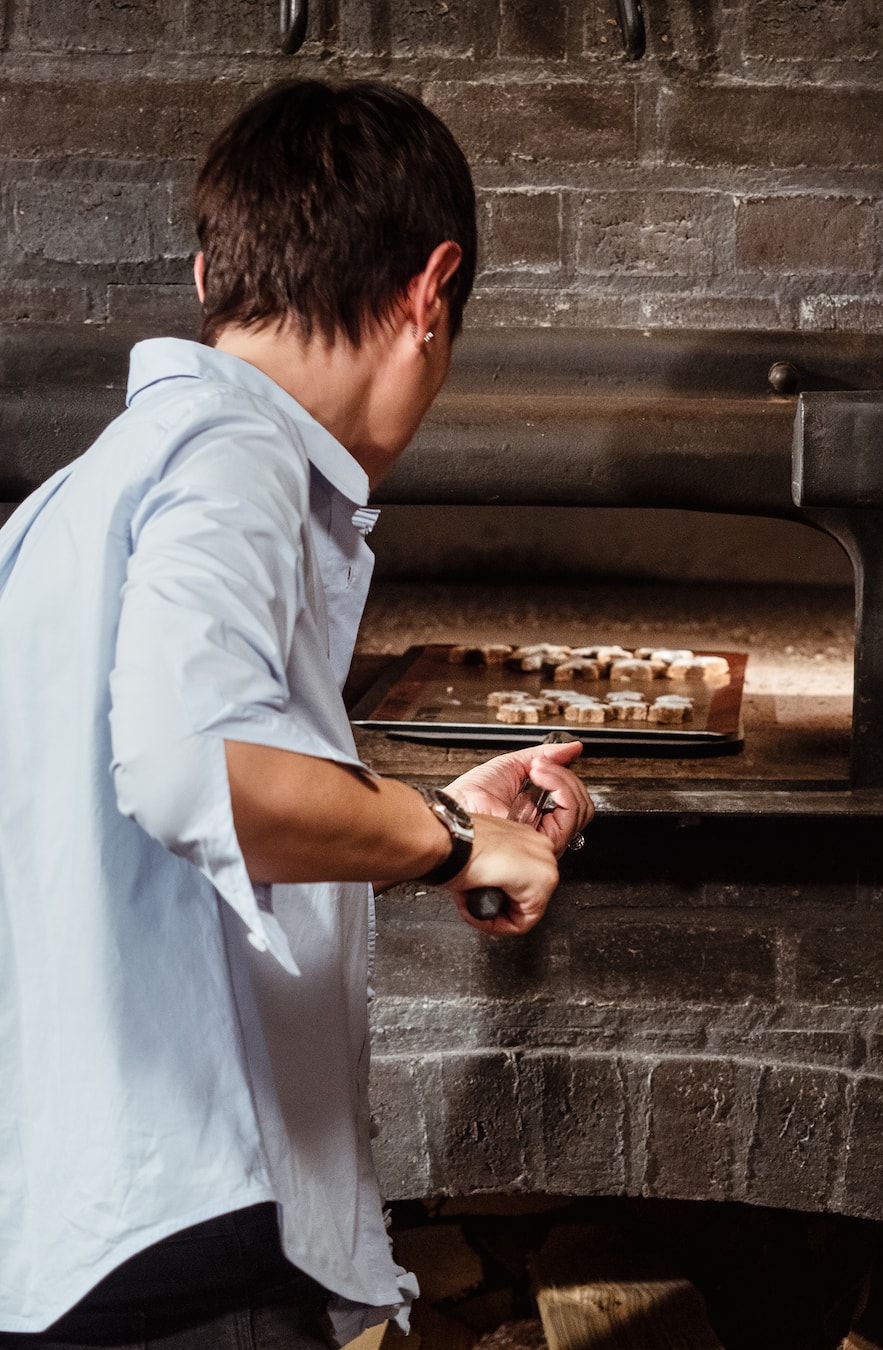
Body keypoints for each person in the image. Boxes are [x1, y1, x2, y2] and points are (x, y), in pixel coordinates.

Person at [0, 80, 594, 1348]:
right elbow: (183, 766)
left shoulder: (68, 503)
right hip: (184, 1251)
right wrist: (447, 838)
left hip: (68, 1234)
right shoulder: (238, 457)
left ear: (215, 268)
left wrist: (426, 810)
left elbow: (148, 852)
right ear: (430, 293)